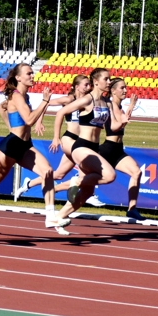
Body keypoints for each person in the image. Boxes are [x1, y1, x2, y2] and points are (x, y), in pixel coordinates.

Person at [0, 64, 64, 218]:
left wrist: (10, 125)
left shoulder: (25, 96)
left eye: (32, 73)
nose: (32, 76)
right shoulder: (16, 96)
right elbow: (29, 120)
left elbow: (1, 107)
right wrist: (44, 101)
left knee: (48, 171)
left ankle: (51, 217)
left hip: (25, 145)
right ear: (18, 78)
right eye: (28, 73)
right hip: (11, 146)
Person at [7, 74, 94, 219]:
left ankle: (29, 184)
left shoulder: (87, 101)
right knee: (86, 166)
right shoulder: (68, 100)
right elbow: (46, 103)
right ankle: (82, 187)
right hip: (71, 140)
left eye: (89, 85)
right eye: (86, 84)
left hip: (82, 141)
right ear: (77, 86)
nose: (88, 87)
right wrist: (42, 123)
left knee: (58, 174)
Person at [47, 68, 118, 234]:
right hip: (81, 146)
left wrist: (126, 116)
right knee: (110, 175)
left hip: (94, 147)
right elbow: (61, 112)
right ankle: (76, 181)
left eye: (110, 79)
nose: (109, 82)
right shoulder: (87, 99)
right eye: (106, 79)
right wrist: (56, 137)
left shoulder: (107, 103)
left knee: (87, 192)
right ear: (96, 81)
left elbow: (112, 127)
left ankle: (59, 218)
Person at [100, 78, 145, 220]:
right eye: (122, 88)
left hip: (118, 150)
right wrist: (131, 106)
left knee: (136, 172)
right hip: (107, 149)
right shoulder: (109, 105)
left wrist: (131, 106)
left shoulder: (120, 108)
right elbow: (117, 125)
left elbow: (123, 122)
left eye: (125, 88)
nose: (125, 90)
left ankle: (132, 209)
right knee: (88, 180)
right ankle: (55, 189)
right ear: (113, 91)